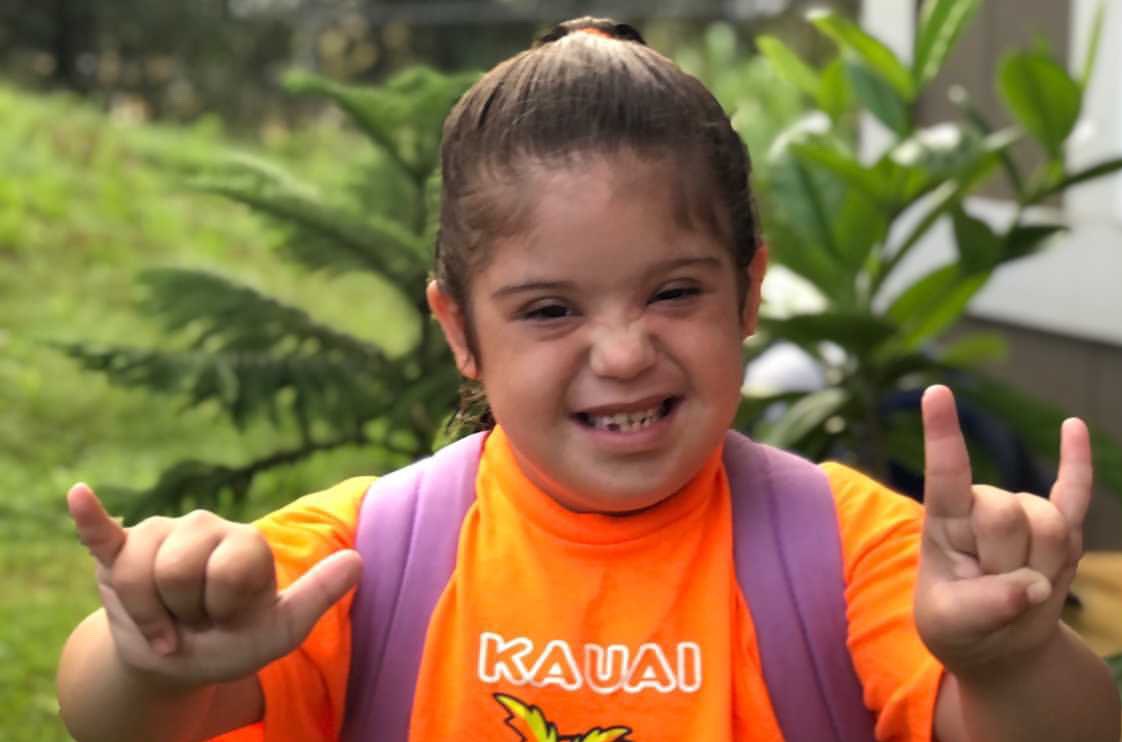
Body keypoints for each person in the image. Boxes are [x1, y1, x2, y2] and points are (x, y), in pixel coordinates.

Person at [56, 17, 1119, 742]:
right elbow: (115, 717)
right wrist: (154, 660)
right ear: (460, 330)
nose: (622, 353)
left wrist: (1015, 657)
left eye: (674, 292)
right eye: (550, 310)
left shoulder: (851, 552)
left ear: (749, 291)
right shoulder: (364, 559)